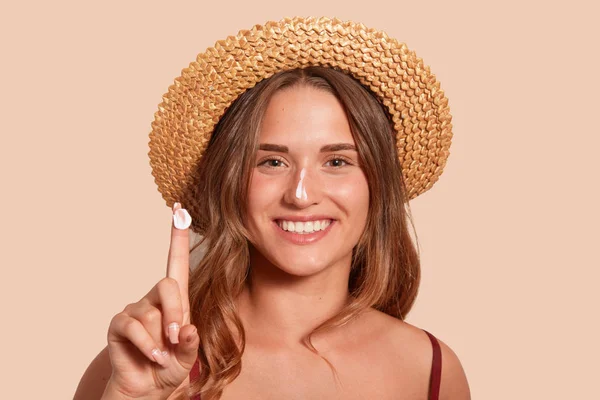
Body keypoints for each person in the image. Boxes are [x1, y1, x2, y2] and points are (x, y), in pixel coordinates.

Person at [75, 17, 470, 400]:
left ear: (377, 185)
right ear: (232, 181)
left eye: (336, 162)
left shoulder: (431, 371)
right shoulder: (138, 365)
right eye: (272, 162)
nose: (301, 194)